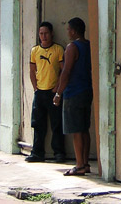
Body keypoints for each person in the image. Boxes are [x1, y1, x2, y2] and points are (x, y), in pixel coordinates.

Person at [52, 17, 93, 176]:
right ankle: (86, 163)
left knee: (76, 130)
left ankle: (79, 164)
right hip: (86, 90)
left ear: (74, 31)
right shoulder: (88, 45)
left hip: (74, 92)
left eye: (68, 29)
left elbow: (66, 72)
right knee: (84, 128)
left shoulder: (72, 47)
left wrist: (58, 93)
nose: (67, 32)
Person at [27, 21, 66, 163]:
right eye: (41, 34)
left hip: (53, 92)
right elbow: (32, 71)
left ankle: (59, 153)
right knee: (38, 124)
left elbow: (63, 70)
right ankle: (37, 153)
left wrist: (57, 88)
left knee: (57, 124)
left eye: (46, 33)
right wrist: (35, 87)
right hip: (40, 93)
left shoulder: (58, 49)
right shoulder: (35, 51)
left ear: (51, 34)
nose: (43, 36)